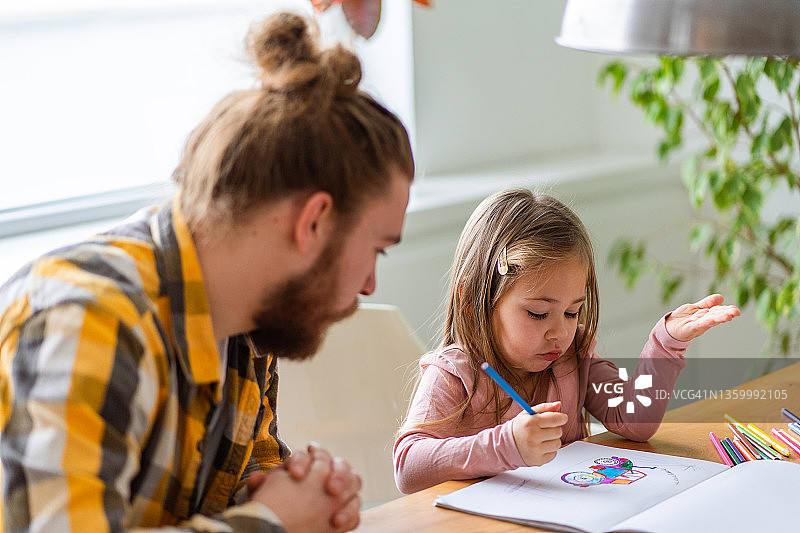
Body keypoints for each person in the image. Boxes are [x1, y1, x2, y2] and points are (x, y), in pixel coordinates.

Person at [0, 11, 414, 533]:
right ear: (313, 222)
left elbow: (243, 489)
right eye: (377, 249)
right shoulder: (86, 323)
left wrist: (306, 495)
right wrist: (273, 520)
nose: (370, 284)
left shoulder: (251, 319)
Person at [393, 189, 739, 494]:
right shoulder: (454, 374)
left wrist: (666, 343)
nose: (559, 332)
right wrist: (507, 445)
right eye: (538, 313)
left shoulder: (571, 356)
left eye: (572, 312)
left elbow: (634, 421)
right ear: (475, 303)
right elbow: (408, 467)